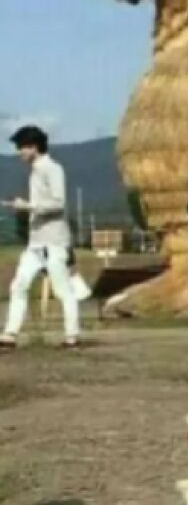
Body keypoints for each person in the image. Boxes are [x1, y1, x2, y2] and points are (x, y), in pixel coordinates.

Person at [1, 126, 80, 350]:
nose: (19, 153)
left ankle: (71, 335)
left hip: (54, 242)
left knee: (63, 289)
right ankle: (10, 333)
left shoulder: (52, 169)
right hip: (36, 243)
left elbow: (58, 203)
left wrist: (28, 206)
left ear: (33, 147)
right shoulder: (36, 171)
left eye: (22, 147)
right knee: (19, 285)